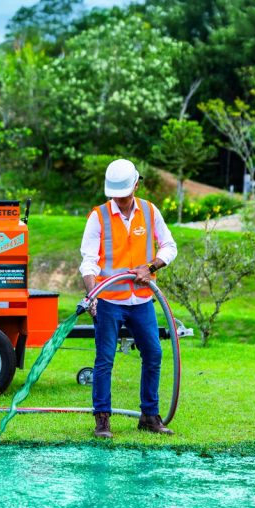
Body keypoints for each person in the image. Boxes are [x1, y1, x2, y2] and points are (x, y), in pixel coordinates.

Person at [79, 158, 178, 439]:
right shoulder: (98, 217)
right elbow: (89, 261)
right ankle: (102, 419)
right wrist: (92, 292)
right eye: (116, 196)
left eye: (125, 194)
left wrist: (152, 266)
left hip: (142, 300)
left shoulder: (149, 211)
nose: (121, 200)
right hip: (108, 300)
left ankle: (149, 415)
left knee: (154, 354)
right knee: (105, 359)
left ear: (136, 185)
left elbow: (170, 246)